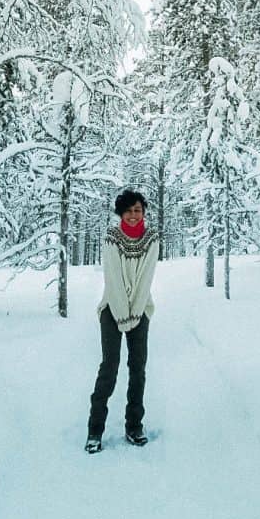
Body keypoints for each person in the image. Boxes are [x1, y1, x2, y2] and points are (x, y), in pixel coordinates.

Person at [85, 189, 159, 453]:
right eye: (127, 210)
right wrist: (122, 315)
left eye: (137, 209)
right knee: (110, 367)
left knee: (138, 368)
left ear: (143, 212)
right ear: (120, 213)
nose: (133, 215)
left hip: (141, 308)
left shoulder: (151, 238)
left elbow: (144, 279)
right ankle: (95, 430)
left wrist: (136, 312)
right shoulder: (111, 238)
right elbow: (114, 278)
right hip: (112, 309)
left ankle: (134, 425)